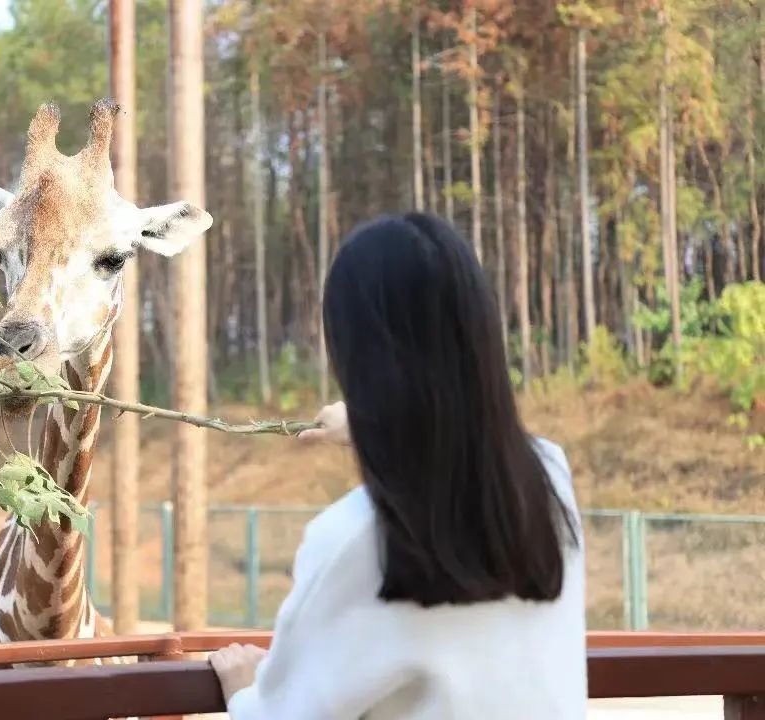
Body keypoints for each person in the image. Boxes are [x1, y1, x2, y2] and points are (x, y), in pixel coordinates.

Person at [209, 213, 586, 719]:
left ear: (354, 359)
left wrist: (242, 691)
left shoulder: (350, 541)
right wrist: (369, 427)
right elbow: (455, 454)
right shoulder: (550, 479)